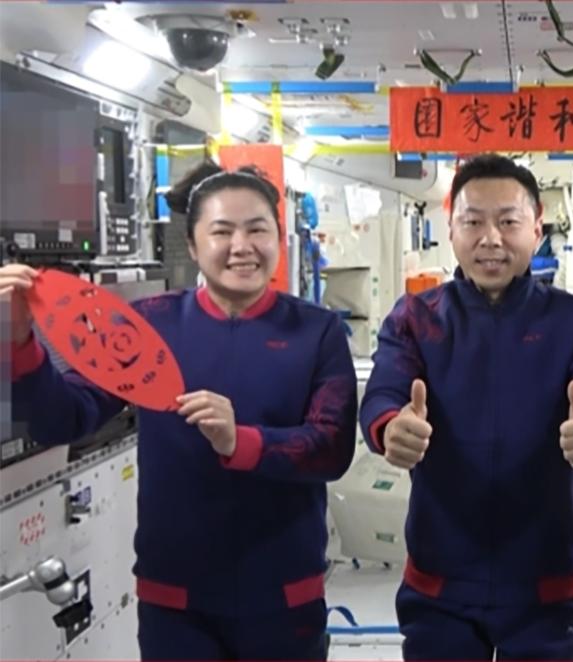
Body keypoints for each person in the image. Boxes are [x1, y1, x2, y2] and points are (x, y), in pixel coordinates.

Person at [1, 162, 358, 660]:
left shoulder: (317, 331)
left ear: (279, 239)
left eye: (257, 230)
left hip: (284, 595)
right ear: (192, 245)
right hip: (175, 600)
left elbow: (331, 448)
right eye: (222, 231)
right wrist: (19, 343)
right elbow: (65, 419)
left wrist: (241, 441)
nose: (241, 246)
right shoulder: (150, 325)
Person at [359, 154, 573, 660]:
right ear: (451, 230)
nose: (491, 239)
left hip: (544, 579)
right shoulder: (417, 317)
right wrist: (390, 425)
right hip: (440, 578)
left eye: (508, 222)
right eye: (473, 222)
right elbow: (384, 391)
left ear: (536, 229)